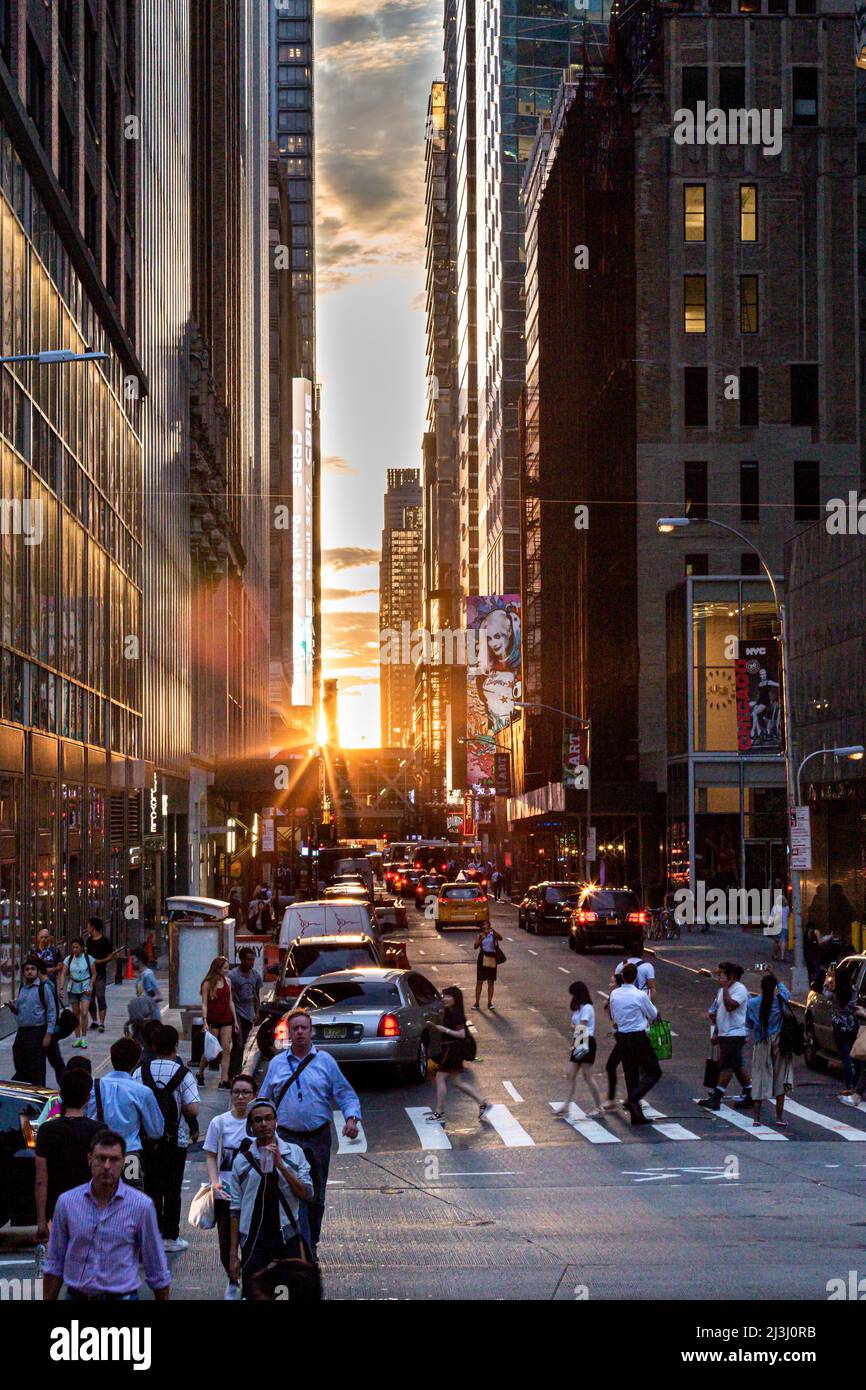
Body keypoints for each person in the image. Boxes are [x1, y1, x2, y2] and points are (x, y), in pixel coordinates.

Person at [258, 1008, 361, 1256]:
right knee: (290, 1190)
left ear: (311, 1031)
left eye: (305, 1028)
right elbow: (263, 1099)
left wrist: (351, 1119)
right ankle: (296, 1243)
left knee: (316, 1193)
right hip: (287, 1137)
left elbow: (345, 1094)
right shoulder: (277, 1064)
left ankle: (311, 1240)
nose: (301, 1032)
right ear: (289, 1033)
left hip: (318, 1137)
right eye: (296, 1028)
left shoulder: (326, 1062)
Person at [42, 1129, 171, 1301]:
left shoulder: (141, 1206)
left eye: (114, 1159)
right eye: (101, 1158)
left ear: (123, 1162)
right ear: (90, 1159)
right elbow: (54, 1263)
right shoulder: (67, 1203)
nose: (107, 1166)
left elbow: (156, 1266)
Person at [228, 1099, 314, 1299]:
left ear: (276, 1122)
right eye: (258, 1120)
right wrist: (234, 1253)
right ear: (251, 1126)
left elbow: (307, 1194)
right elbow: (235, 1208)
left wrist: (281, 1165)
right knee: (255, 1294)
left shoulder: (294, 1153)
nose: (264, 1124)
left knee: (287, 1293)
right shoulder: (242, 1161)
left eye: (268, 1119)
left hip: (287, 1237)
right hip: (253, 1240)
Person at [135, 1023, 199, 1254]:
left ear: (152, 1045)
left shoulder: (140, 1071)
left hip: (147, 1140)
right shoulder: (183, 1073)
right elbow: (192, 1109)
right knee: (173, 1188)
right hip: (176, 1139)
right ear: (175, 1046)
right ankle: (171, 1236)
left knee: (151, 1187)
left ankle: (152, 1234)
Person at [84, 1037, 164, 1187]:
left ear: (112, 1059)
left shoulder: (93, 1087)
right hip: (130, 1156)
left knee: (97, 1199)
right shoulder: (142, 1092)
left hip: (99, 1154)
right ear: (136, 1061)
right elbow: (156, 1131)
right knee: (132, 1203)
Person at [34, 1069, 104, 1242]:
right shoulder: (99, 1130)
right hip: (89, 1207)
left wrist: (41, 1222)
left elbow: (41, 1179)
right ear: (87, 1098)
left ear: (61, 1096)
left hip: (57, 1209)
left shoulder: (46, 1131)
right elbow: (104, 1176)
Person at [205, 1072, 257, 1295]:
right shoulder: (219, 1123)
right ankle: (233, 1279)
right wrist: (214, 1181)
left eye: (246, 1092)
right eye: (236, 1092)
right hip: (225, 1191)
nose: (241, 1097)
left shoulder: (259, 1121)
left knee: (252, 1238)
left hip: (253, 1192)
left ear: (254, 1095)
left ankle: (251, 1284)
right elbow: (210, 1154)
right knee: (227, 1241)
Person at [428, 985, 492, 1125]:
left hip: (452, 1050)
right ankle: (482, 1103)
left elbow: (462, 1034)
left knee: (440, 1078)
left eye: (448, 996)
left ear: (455, 999)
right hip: (452, 1050)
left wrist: (444, 1030)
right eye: (444, 996)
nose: (445, 999)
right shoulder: (450, 1011)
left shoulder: (456, 1015)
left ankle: (439, 1112)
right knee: (457, 1082)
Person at [606, 962, 661, 1125]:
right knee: (654, 1071)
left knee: (631, 1074)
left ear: (622, 976)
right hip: (638, 1036)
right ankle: (633, 1098)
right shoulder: (640, 995)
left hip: (622, 1037)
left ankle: (637, 1116)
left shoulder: (615, 994)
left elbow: (614, 1015)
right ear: (636, 976)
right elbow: (653, 1014)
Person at [701, 961, 752, 1111]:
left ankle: (716, 1097)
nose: (719, 977)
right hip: (725, 1033)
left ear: (731, 976)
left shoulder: (740, 990)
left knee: (726, 1066)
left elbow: (730, 1006)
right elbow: (719, 1011)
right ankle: (750, 1092)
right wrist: (716, 1032)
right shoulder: (722, 991)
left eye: (721, 974)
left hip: (735, 1033)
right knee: (736, 1065)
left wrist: (724, 988)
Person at [746, 970, 793, 1128]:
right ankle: (779, 1117)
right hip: (778, 1042)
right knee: (780, 1078)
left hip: (761, 1042)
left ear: (761, 987)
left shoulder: (752, 1003)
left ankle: (757, 1118)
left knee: (759, 1077)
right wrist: (777, 978)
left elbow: (749, 1025)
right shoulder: (780, 1000)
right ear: (774, 988)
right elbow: (787, 992)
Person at [10, 956, 57, 1085]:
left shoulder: (43, 988)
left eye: (32, 969)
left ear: (37, 972)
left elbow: (52, 1011)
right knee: (20, 1061)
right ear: (24, 972)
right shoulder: (22, 989)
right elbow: (20, 1010)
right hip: (22, 1032)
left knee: (37, 1067)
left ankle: (39, 1093)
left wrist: (48, 1034)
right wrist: (13, 1009)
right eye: (27, 969)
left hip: (37, 1031)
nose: (29, 971)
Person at [558, 981, 602, 1120]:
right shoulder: (579, 1008)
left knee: (587, 1076)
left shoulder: (587, 1008)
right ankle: (566, 1105)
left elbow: (580, 1027)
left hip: (586, 1041)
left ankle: (599, 1107)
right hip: (580, 1041)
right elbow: (575, 1026)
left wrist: (574, 1029)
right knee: (570, 1074)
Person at [196, 955, 239, 1090]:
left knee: (226, 1048)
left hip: (227, 1019)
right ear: (218, 968)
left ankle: (224, 1079)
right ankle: (200, 1072)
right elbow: (204, 1004)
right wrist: (205, 1021)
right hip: (213, 1019)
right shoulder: (207, 983)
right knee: (211, 1050)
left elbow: (230, 1001)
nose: (227, 971)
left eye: (228, 968)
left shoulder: (228, 981)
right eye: (225, 968)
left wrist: (235, 1020)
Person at [58, 938, 97, 1048]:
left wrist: (90, 985)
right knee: (76, 1014)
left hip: (85, 988)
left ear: (82, 948)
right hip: (73, 988)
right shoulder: (68, 959)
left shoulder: (88, 958)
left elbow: (94, 973)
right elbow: (63, 974)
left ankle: (84, 1038)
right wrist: (61, 988)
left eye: (77, 947)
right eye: (73, 947)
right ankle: (77, 1038)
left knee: (84, 1012)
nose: (74, 949)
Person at [831, 977, 864, 1101]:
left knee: (845, 1058)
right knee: (855, 1057)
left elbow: (825, 992)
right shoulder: (853, 990)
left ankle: (849, 1085)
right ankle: (856, 1085)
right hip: (852, 1025)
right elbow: (854, 1003)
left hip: (840, 1027)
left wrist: (828, 980)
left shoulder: (835, 993)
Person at [86, 917, 120, 1033]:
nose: (87, 928)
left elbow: (111, 956)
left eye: (88, 925)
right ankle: (94, 1020)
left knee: (100, 997)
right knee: (90, 999)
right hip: (89, 974)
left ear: (93, 927)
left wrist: (100, 961)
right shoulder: (89, 940)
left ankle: (102, 1022)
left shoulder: (105, 941)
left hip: (100, 973)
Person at [229, 947, 262, 1061]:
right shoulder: (233, 975)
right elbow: (230, 998)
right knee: (238, 1043)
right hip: (237, 1013)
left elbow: (257, 996)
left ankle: (234, 1071)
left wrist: (257, 1012)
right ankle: (233, 1073)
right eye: (248, 960)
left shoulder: (256, 975)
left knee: (241, 1044)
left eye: (253, 960)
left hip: (249, 1015)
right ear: (241, 959)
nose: (251, 962)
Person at [474, 923, 503, 1010]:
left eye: (487, 926)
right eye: (484, 926)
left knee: (491, 981)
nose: (486, 928)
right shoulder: (480, 936)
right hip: (483, 957)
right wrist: (482, 938)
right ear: (482, 927)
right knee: (479, 981)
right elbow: (475, 946)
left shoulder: (493, 934)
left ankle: (489, 1002)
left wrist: (493, 931)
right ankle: (477, 1003)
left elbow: (500, 938)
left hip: (492, 957)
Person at [132, 945, 163, 1021]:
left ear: (139, 960)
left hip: (152, 1020)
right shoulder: (142, 975)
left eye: (133, 959)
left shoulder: (147, 975)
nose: (131, 962)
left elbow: (159, 996)